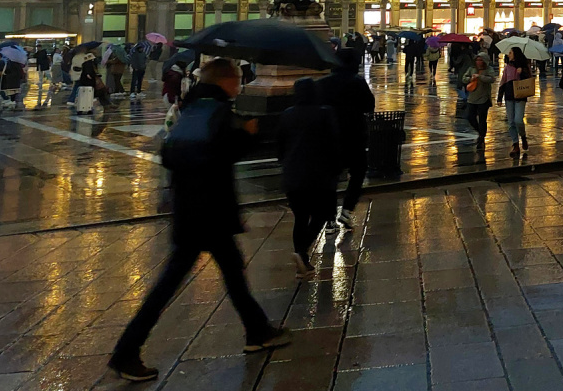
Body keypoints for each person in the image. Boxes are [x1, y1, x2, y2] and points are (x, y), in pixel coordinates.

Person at [109, 59, 290, 380]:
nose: (239, 85)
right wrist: (246, 134)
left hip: (189, 208)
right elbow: (219, 154)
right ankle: (126, 352)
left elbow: (170, 154)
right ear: (225, 81)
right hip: (210, 212)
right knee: (172, 285)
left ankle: (258, 330)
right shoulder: (218, 112)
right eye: (236, 79)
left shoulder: (190, 108)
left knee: (232, 273)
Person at [277, 77, 342, 278]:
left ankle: (302, 264)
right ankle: (301, 252)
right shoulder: (324, 112)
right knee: (322, 214)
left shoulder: (287, 114)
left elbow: (280, 146)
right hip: (319, 174)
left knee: (301, 217)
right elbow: (334, 142)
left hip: (293, 175)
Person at [316, 48, 375, 231]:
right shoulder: (357, 82)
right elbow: (369, 105)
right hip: (354, 136)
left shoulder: (323, 83)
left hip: (330, 137)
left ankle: (329, 219)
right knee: (358, 173)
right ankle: (347, 209)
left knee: (330, 177)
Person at [499, 47, 531, 157]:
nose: (509, 55)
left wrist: (522, 73)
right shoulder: (508, 66)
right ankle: (515, 144)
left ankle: (523, 136)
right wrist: (499, 97)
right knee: (511, 122)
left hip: (520, 95)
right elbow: (503, 81)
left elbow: (529, 80)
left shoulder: (524, 66)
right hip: (509, 96)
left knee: (518, 120)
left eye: (510, 53)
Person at [463, 53, 495, 149]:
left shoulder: (489, 70)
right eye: (477, 60)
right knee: (469, 116)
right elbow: (464, 78)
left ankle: (481, 137)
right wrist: (470, 78)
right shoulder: (471, 69)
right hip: (472, 98)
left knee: (482, 119)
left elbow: (492, 79)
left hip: (483, 98)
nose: (479, 62)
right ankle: (480, 132)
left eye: (481, 60)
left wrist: (480, 77)